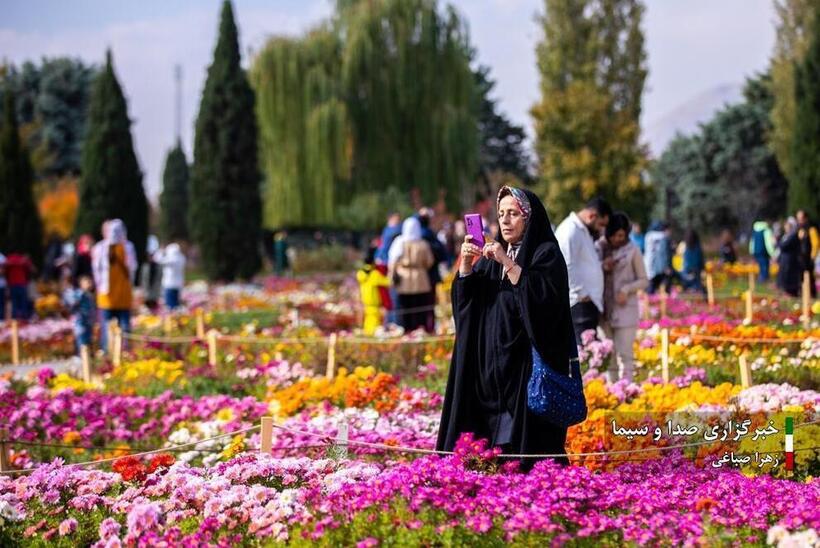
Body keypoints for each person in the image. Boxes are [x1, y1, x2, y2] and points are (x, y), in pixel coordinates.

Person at [437, 185, 575, 470]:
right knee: (490, 443)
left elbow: (544, 303)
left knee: (525, 447)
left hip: (524, 368)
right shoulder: (491, 257)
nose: (506, 220)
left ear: (529, 217)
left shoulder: (544, 254)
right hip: (491, 369)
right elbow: (468, 308)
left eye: (514, 213)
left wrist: (507, 262)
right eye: (501, 214)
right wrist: (466, 266)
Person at [596, 212, 647, 383]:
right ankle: (612, 391)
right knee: (608, 354)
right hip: (603, 310)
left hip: (626, 310)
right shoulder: (599, 247)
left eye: (622, 235)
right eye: (614, 235)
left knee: (625, 354)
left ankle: (627, 391)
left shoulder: (633, 250)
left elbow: (644, 280)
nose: (618, 239)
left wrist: (626, 289)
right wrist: (603, 266)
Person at [555, 197, 612, 342]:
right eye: (601, 224)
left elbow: (583, 262)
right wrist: (581, 292)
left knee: (589, 351)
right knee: (583, 353)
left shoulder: (582, 230)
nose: (601, 229)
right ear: (592, 216)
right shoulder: (570, 231)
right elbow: (566, 264)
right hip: (579, 302)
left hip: (586, 301)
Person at [92, 219, 137, 352]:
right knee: (120, 328)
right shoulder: (126, 247)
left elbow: (96, 272)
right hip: (117, 295)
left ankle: (113, 352)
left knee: (112, 328)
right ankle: (119, 352)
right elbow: (133, 267)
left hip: (111, 295)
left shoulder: (102, 248)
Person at [388, 217, 434, 333]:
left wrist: (392, 275)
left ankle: (405, 329)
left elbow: (392, 261)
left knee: (404, 306)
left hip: (404, 278)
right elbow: (429, 262)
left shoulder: (400, 242)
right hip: (420, 278)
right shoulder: (423, 244)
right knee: (419, 307)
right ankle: (419, 329)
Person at [418, 207, 447, 332]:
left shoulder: (416, 235)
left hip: (421, 275)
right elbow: (442, 254)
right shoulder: (430, 235)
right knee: (429, 304)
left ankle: (423, 327)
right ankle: (429, 327)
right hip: (430, 274)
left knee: (421, 304)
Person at [356, 247, 392, 335]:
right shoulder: (374, 275)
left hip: (366, 305)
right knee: (374, 329)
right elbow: (389, 282)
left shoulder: (360, 274)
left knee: (367, 326)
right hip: (375, 307)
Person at [376, 213, 403, 325]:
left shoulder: (388, 231)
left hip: (387, 265)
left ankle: (391, 320)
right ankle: (393, 321)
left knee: (389, 296)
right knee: (392, 296)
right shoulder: (393, 231)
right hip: (389, 265)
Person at [63, 274, 95, 353]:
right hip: (80, 322)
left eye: (90, 282)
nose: (89, 284)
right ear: (81, 284)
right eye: (87, 282)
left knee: (88, 340)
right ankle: (80, 356)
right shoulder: (79, 293)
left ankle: (87, 358)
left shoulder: (89, 295)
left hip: (88, 322)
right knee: (81, 340)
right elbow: (72, 302)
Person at [154, 243, 186, 310]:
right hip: (178, 284)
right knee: (176, 304)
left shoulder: (171, 259)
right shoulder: (182, 258)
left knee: (170, 306)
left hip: (169, 284)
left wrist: (160, 251)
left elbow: (157, 260)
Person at [644, 221, 673, 294]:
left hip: (649, 266)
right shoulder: (663, 238)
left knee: (651, 287)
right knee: (664, 288)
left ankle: (649, 302)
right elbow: (663, 253)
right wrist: (666, 266)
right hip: (661, 267)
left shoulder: (648, 237)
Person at [5, 253, 35, 319]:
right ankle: (24, 318)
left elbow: (6, 271)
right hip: (22, 283)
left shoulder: (9, 259)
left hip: (13, 284)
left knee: (14, 302)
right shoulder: (23, 260)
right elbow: (31, 269)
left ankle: (15, 318)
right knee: (23, 302)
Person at [796, 210, 818, 298]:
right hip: (800, 257)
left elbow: (815, 244)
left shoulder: (811, 229)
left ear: (806, 218)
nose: (799, 221)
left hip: (808, 258)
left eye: (801, 218)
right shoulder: (799, 229)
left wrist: (812, 257)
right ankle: (803, 294)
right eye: (798, 219)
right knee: (800, 277)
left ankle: (811, 295)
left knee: (809, 278)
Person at [776, 219, 801, 297]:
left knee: (790, 276)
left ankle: (791, 292)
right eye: (786, 226)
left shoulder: (793, 235)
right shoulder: (786, 236)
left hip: (791, 259)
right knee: (785, 275)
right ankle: (786, 290)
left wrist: (779, 243)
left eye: (788, 226)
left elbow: (783, 246)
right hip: (785, 259)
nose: (786, 228)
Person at [681, 229, 706, 294]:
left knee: (691, 286)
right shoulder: (697, 247)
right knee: (698, 286)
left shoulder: (687, 247)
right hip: (695, 270)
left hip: (688, 270)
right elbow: (699, 259)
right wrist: (703, 268)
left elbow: (686, 260)